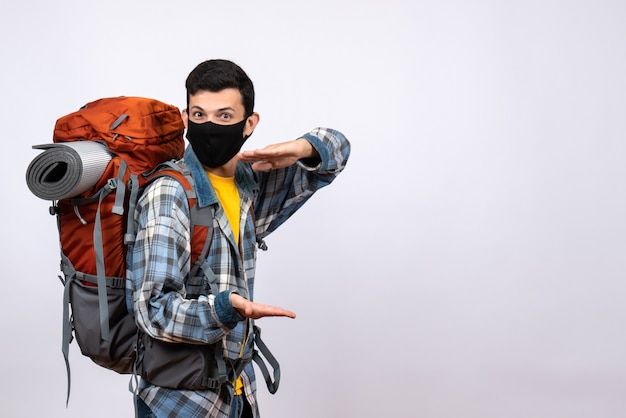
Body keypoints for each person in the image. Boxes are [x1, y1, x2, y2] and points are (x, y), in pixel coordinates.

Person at [127, 59, 350, 418]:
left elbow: (336, 152)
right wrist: (225, 308)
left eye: (225, 116)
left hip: (237, 391)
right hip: (180, 403)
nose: (210, 126)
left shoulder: (250, 185)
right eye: (199, 115)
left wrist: (301, 148)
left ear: (250, 123)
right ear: (185, 119)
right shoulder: (170, 193)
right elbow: (153, 311)